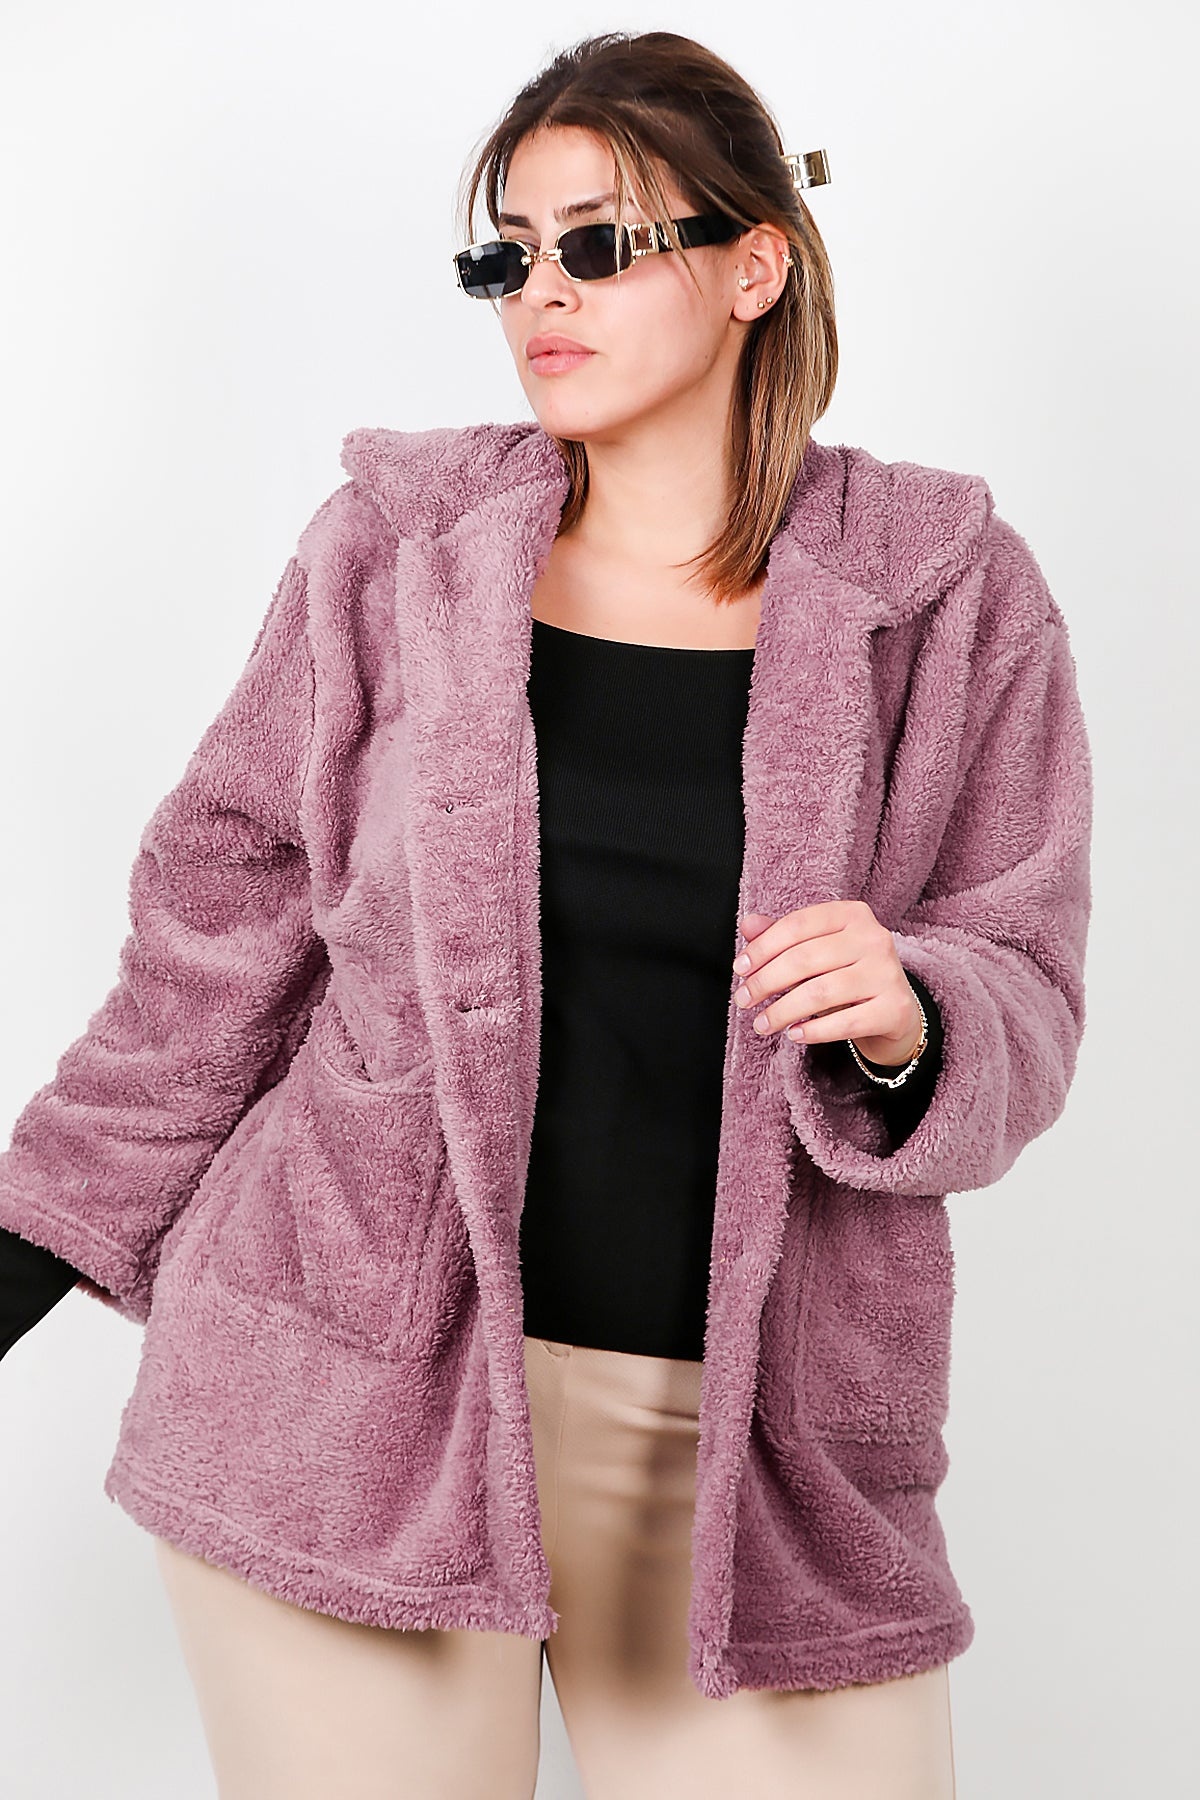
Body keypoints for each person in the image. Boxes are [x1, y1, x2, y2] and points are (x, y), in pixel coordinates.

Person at [0, 28, 1092, 1799]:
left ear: (755, 265)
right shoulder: (390, 552)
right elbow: (222, 929)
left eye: (598, 244)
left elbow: (1025, 970)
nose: (542, 295)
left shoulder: (944, 594)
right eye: (506, 255)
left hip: (757, 1449)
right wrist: (39, 1233)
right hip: (360, 1406)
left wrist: (919, 1010)